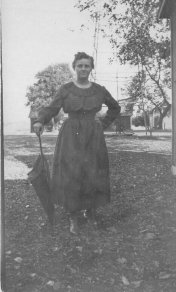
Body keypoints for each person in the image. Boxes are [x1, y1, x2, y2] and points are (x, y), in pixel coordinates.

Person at [33, 52, 121, 234]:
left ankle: (91, 211)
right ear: (75, 67)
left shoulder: (99, 90)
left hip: (93, 135)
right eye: (80, 65)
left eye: (86, 66)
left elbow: (115, 107)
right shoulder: (65, 89)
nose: (83, 69)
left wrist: (102, 124)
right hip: (71, 135)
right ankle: (73, 216)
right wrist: (40, 120)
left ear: (91, 68)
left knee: (93, 171)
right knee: (72, 173)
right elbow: (52, 108)